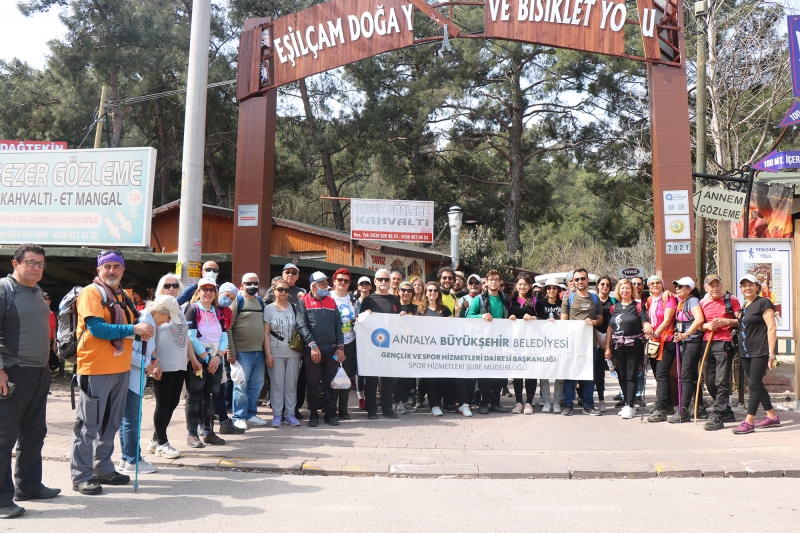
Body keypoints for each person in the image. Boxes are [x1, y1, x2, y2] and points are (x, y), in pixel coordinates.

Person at [71, 250, 154, 495]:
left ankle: (102, 468)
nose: (111, 271)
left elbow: (130, 330)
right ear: (98, 269)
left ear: (123, 270)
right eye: (106, 266)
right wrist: (134, 328)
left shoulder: (122, 296)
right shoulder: (91, 292)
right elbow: (97, 328)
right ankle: (81, 475)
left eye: (116, 266)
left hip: (121, 368)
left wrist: (141, 333)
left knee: (111, 423)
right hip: (95, 368)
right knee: (89, 425)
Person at [0, 244, 60, 518]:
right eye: (31, 263)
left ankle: (29, 486)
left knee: (34, 432)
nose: (36, 268)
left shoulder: (36, 291)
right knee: (4, 439)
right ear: (16, 263)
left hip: (38, 374)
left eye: (40, 264)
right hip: (12, 373)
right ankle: (2, 500)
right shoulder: (4, 290)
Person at [117, 296, 181, 475]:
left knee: (129, 419)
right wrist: (148, 364)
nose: (167, 322)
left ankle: (126, 458)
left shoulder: (149, 320)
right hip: (131, 377)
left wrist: (151, 359)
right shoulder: (145, 321)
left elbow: (143, 351)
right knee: (131, 419)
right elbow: (129, 352)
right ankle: (132, 459)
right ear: (160, 312)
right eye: (168, 318)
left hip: (136, 375)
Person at [144, 275, 195, 458]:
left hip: (179, 363)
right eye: (167, 285)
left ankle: (156, 439)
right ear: (161, 287)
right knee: (163, 404)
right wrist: (154, 362)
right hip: (163, 363)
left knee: (173, 403)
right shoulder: (155, 308)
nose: (172, 288)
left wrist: (193, 359)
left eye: (175, 285)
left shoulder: (178, 310)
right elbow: (149, 337)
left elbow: (186, 336)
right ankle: (163, 443)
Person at [732, 274, 780, 434]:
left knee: (753, 385)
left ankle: (749, 421)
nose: (747, 288)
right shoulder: (746, 306)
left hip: (760, 350)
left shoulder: (763, 302)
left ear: (757, 287)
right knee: (756, 384)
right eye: (744, 285)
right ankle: (772, 416)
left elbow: (771, 328)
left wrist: (771, 354)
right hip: (745, 351)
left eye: (750, 285)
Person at [296, 272, 345, 427]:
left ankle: (330, 413)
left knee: (331, 383)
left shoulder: (331, 301)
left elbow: (339, 325)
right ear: (313, 286)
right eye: (323, 283)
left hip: (331, 350)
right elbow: (301, 325)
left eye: (326, 283)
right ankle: (313, 414)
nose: (326, 286)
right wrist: (312, 345)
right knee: (313, 383)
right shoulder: (303, 301)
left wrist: (340, 348)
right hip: (313, 350)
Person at [184, 277, 228, 447]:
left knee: (212, 396)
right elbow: (191, 337)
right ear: (198, 292)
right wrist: (206, 358)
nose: (208, 292)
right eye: (205, 289)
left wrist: (218, 357)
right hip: (198, 359)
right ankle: (192, 433)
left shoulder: (217, 312)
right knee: (195, 396)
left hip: (216, 359)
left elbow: (224, 337)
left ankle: (209, 432)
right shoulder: (193, 310)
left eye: (212, 290)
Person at [467, 269, 513, 414]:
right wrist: (481, 316)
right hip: (484, 343)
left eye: (496, 279)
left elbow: (510, 316)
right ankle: (483, 402)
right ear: (486, 282)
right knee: (485, 374)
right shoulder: (478, 299)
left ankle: (496, 402)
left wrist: (511, 319)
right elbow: (468, 317)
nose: (494, 282)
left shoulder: (505, 298)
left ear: (500, 282)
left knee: (499, 375)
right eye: (491, 279)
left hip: (501, 342)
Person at [699, 273, 742, 431]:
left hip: (724, 342)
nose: (715, 288)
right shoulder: (702, 303)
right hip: (707, 342)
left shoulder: (731, 300)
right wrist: (707, 326)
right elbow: (699, 324)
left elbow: (741, 320)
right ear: (706, 287)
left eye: (718, 285)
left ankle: (717, 415)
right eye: (712, 285)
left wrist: (726, 322)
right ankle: (726, 411)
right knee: (709, 380)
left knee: (722, 379)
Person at [358, 269, 401, 419]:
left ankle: (387, 409)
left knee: (388, 380)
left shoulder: (395, 300)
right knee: (371, 380)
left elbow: (398, 322)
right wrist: (365, 316)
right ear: (375, 281)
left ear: (390, 282)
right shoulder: (368, 300)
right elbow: (360, 322)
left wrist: (402, 317)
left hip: (389, 346)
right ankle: (371, 410)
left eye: (386, 279)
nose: (384, 282)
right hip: (372, 346)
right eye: (380, 279)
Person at [604, 278, 649, 419]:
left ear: (632, 290)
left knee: (631, 375)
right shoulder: (614, 307)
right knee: (622, 375)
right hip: (617, 346)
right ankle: (628, 403)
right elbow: (610, 328)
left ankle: (630, 405)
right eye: (622, 288)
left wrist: (647, 326)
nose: (625, 291)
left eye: (628, 288)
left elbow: (645, 322)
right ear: (619, 290)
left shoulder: (638, 306)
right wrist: (607, 347)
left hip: (634, 345)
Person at [227, 273, 267, 430]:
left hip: (260, 352)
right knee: (240, 386)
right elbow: (228, 328)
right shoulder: (238, 301)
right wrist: (231, 351)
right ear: (241, 285)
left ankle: (251, 414)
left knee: (256, 385)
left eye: (255, 283)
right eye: (248, 283)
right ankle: (238, 417)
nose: (252, 286)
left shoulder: (260, 302)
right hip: (242, 352)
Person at [561, 269, 603, 416]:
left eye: (582, 279)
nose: (580, 282)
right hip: (572, 344)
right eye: (577, 279)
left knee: (589, 376)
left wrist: (594, 321)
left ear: (588, 280)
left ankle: (588, 405)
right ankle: (568, 405)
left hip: (590, 345)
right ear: (573, 281)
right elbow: (563, 322)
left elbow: (600, 320)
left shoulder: (595, 298)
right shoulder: (569, 299)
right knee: (570, 375)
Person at [263, 279, 302, 427]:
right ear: (274, 291)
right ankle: (277, 415)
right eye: (280, 289)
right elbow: (266, 334)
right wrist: (268, 354)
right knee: (277, 385)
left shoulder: (294, 307)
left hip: (293, 352)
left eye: (286, 290)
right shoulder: (269, 309)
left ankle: (290, 414)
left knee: (291, 385)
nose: (283, 292)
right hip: (275, 351)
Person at [668, 277, 706, 423]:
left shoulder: (692, 301)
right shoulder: (682, 302)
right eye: (676, 286)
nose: (677, 289)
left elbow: (699, 319)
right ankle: (699, 408)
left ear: (689, 289)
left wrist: (686, 334)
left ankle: (683, 411)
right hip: (685, 342)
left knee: (686, 377)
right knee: (691, 376)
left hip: (692, 341)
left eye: (680, 287)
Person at [645, 275, 678, 423]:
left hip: (667, 340)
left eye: (658, 283)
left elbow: (667, 320)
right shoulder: (650, 300)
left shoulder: (668, 298)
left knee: (662, 373)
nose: (655, 285)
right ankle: (667, 404)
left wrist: (657, 333)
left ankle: (661, 409)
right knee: (658, 375)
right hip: (654, 341)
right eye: (652, 283)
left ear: (662, 285)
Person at [213, 282, 244, 434]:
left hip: (219, 354)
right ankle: (200, 425)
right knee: (201, 392)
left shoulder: (227, 312)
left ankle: (224, 422)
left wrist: (224, 352)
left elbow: (225, 332)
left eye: (232, 298)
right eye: (226, 296)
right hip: (204, 354)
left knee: (220, 387)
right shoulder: (207, 308)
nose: (228, 300)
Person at [330, 268, 358, 420]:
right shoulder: (328, 297)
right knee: (332, 376)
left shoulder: (352, 299)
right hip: (332, 343)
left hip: (349, 342)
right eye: (339, 280)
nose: (342, 283)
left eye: (346, 281)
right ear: (334, 281)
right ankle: (331, 408)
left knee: (346, 377)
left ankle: (343, 409)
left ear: (349, 284)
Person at [509, 273, 538, 415]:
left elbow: (544, 319)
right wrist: (511, 317)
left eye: (525, 284)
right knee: (518, 372)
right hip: (515, 342)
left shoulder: (535, 301)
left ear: (529, 286)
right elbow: (504, 318)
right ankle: (519, 402)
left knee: (531, 372)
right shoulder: (510, 301)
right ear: (516, 285)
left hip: (532, 342)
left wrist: (533, 317)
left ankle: (529, 403)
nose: (522, 287)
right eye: (520, 284)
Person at [535, 278, 563, 413]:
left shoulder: (563, 304)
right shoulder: (540, 303)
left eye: (554, 288)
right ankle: (546, 402)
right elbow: (537, 319)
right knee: (544, 373)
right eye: (549, 288)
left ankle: (557, 402)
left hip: (559, 343)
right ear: (546, 290)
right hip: (543, 342)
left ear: (558, 290)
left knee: (560, 374)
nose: (551, 290)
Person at [455, 274, 483, 407]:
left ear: (480, 285)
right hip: (466, 339)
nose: (473, 285)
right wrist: (463, 310)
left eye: (476, 283)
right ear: (467, 285)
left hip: (481, 339)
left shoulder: (483, 299)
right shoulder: (462, 299)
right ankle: (466, 398)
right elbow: (458, 319)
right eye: (471, 283)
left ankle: (478, 397)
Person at [394, 281, 418, 414]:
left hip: (412, 346)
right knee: (399, 376)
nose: (406, 293)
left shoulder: (416, 309)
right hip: (397, 345)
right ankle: (397, 403)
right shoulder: (395, 307)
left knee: (410, 376)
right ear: (399, 291)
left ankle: (405, 401)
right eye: (403, 290)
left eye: (409, 290)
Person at [594, 275, 615, 412]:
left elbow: (612, 323)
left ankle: (603, 400)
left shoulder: (614, 301)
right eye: (602, 284)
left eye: (607, 285)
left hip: (610, 336)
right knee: (595, 370)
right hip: (593, 335)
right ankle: (592, 399)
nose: (605, 287)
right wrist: (598, 339)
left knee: (607, 370)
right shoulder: (592, 300)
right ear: (598, 285)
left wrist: (606, 344)